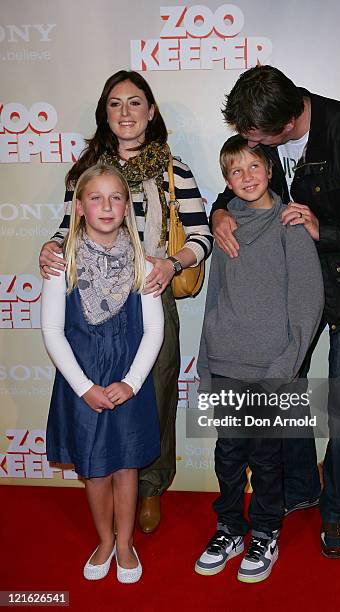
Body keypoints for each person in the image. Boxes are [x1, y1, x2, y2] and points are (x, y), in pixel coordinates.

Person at [211, 65, 340, 558]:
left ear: (286, 124)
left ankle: (335, 510)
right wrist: (221, 208)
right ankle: (300, 487)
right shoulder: (260, 126)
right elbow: (245, 180)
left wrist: (326, 230)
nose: (249, 141)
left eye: (256, 135)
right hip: (288, 290)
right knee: (286, 395)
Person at [39, 70, 213, 534]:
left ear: (151, 112)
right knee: (94, 391)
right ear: (105, 114)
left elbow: (201, 235)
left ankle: (151, 487)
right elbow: (68, 228)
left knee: (152, 393)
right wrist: (51, 247)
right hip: (89, 302)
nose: (126, 113)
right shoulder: (84, 172)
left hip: (149, 295)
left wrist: (171, 265)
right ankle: (103, 477)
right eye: (115, 104)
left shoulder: (176, 172)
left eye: (135, 103)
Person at [195, 135, 324, 583]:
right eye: (235, 171)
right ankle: (230, 527)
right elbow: (215, 299)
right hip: (227, 363)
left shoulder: (290, 224)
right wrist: (206, 360)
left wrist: (285, 367)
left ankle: (266, 531)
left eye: (254, 167)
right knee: (228, 454)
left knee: (269, 459)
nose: (246, 178)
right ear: (226, 180)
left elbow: (308, 305)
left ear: (271, 170)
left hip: (274, 370)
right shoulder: (225, 226)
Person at [41, 164, 164, 583]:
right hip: (83, 383)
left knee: (126, 466)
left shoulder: (144, 265)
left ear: (127, 206)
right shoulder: (62, 264)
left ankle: (126, 542)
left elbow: (153, 331)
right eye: (96, 198)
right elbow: (53, 332)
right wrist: (83, 387)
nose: (106, 206)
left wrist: (131, 383)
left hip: (129, 381)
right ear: (79, 207)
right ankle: (105, 541)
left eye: (116, 198)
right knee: (94, 469)